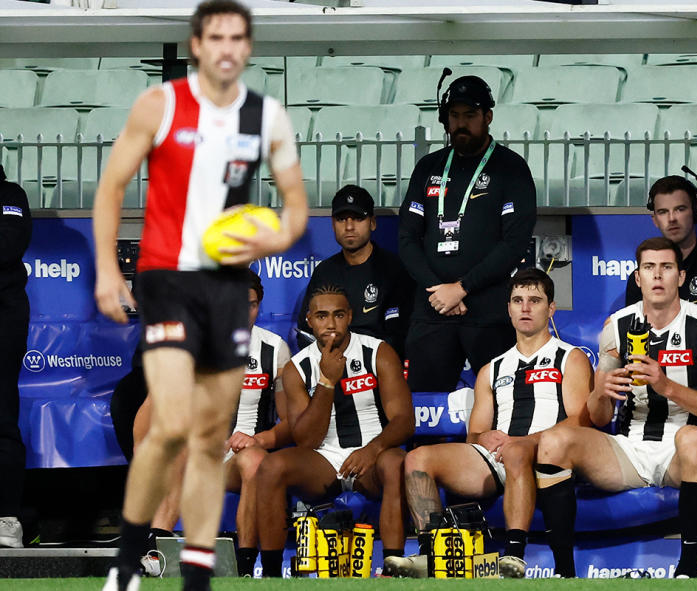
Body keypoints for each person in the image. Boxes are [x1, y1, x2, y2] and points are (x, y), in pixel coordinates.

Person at [92, 1, 307, 589]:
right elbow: (111, 186)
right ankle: (141, 548)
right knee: (165, 419)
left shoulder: (265, 117)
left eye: (238, 37)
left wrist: (271, 233)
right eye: (216, 37)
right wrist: (109, 270)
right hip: (167, 280)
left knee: (205, 433)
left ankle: (179, 559)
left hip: (223, 287)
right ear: (196, 44)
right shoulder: (158, 106)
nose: (227, 49)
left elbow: (295, 211)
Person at [534, 237, 697, 579]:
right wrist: (600, 392)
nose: (658, 275)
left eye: (667, 267)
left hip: (686, 455)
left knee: (694, 437)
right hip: (630, 450)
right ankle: (564, 574)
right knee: (555, 441)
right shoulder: (616, 327)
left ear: (681, 277)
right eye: (649, 268)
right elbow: (599, 418)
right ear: (638, 278)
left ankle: (686, 571)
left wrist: (666, 385)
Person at [385, 268, 593, 579]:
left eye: (535, 300)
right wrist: (487, 438)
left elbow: (580, 421)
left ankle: (514, 556)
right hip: (500, 458)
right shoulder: (492, 369)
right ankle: (430, 554)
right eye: (517, 300)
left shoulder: (570, 357)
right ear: (508, 308)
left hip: (548, 460)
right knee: (417, 458)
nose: (525, 308)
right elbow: (474, 433)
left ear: (551, 309)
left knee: (517, 451)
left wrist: (526, 441)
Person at [130, 270, 291, 578]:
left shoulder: (275, 348)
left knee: (255, 462)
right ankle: (152, 552)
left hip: (240, 460)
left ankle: (244, 566)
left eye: (252, 304)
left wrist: (259, 440)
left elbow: (289, 424)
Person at [253, 284, 414, 577]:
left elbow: (404, 419)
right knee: (271, 467)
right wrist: (326, 382)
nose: (330, 323)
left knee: (396, 464)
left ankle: (393, 570)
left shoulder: (378, 351)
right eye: (322, 316)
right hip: (324, 461)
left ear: (350, 316)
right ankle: (272, 576)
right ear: (309, 321)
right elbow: (306, 439)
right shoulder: (297, 367)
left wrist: (372, 450)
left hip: (373, 459)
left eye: (338, 315)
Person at [398, 74, 536, 392]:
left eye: (470, 115)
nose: (460, 124)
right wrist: (440, 291)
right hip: (433, 309)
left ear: (487, 117)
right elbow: (407, 238)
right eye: (454, 116)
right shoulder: (428, 167)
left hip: (489, 312)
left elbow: (514, 243)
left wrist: (462, 288)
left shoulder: (510, 167)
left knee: (504, 408)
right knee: (424, 411)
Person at [297, 184, 413, 356]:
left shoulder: (395, 268)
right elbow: (306, 331)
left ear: (372, 223)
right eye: (341, 219)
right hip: (332, 364)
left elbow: (401, 334)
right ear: (332, 224)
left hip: (380, 365)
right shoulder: (324, 271)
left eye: (358, 218)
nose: (349, 226)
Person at [625, 175, 697, 315]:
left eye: (680, 209)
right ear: (655, 220)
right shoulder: (641, 278)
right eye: (663, 212)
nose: (672, 219)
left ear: (695, 212)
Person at [0, 164, 31, 549]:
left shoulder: (10, 196)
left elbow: (6, 247)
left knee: (2, 417)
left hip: (3, 319)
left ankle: (6, 519)